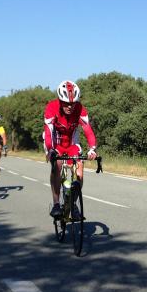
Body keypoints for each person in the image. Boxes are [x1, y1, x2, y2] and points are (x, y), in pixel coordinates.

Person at [43, 80, 98, 218]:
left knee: (80, 170)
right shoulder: (51, 107)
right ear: (60, 100)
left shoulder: (80, 109)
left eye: (72, 103)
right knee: (58, 164)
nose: (70, 106)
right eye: (66, 103)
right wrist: (50, 150)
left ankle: (72, 204)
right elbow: (48, 131)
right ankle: (56, 203)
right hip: (55, 142)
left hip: (72, 143)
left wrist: (92, 149)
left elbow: (88, 130)